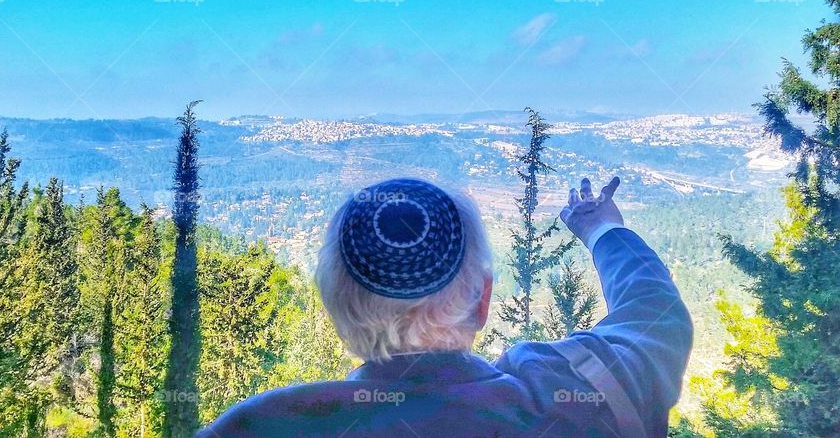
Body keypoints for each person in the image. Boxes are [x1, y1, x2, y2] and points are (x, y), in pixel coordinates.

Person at [196, 176, 693, 437]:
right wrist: (603, 229)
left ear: (337, 312)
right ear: (482, 301)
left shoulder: (263, 426)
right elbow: (654, 313)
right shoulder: (592, 393)